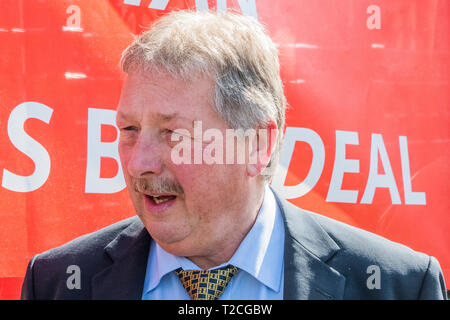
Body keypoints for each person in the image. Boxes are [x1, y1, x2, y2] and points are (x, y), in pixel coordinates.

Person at [21, 10, 447, 300]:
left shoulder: (399, 285)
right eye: (129, 130)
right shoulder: (57, 282)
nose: (138, 163)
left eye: (173, 133)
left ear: (258, 145)